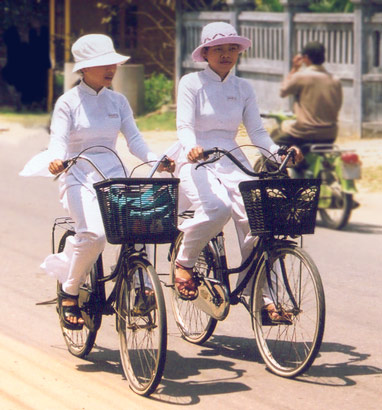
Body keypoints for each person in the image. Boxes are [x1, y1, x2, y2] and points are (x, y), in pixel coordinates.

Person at [20, 34, 173, 330]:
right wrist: (56, 159)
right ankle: (70, 291)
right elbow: (58, 141)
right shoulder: (68, 103)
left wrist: (157, 159)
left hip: (114, 176)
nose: (110, 69)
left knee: (141, 225)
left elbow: (135, 141)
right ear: (84, 69)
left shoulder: (118, 101)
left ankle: (140, 284)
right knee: (94, 235)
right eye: (102, 64)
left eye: (112, 63)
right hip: (78, 175)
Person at [172, 22, 302, 322]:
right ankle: (184, 262)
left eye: (232, 48)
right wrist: (191, 146)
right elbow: (184, 126)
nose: (227, 54)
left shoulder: (243, 87)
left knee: (257, 220)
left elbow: (256, 131)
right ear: (205, 53)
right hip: (196, 156)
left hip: (231, 156)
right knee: (216, 208)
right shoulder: (191, 83)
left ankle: (261, 296)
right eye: (219, 49)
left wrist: (278, 153)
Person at [276, 41, 343, 147]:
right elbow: (338, 105)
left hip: (305, 133)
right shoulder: (335, 80)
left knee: (274, 147)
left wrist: (295, 68)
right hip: (330, 134)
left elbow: (283, 91)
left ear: (305, 57)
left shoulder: (301, 76)